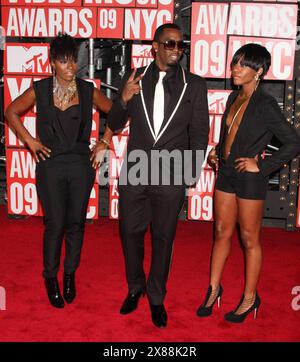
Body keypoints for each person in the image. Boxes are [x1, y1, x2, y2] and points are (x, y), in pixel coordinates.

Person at [104, 23, 209, 328]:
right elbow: (114, 122)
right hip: (136, 167)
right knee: (130, 233)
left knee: (164, 237)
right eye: (170, 44)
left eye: (180, 45)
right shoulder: (135, 77)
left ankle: (156, 296)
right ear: (155, 46)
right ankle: (135, 287)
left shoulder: (195, 84)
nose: (176, 50)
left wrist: (189, 172)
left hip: (171, 170)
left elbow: (200, 132)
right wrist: (123, 98)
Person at [5, 33, 113, 308]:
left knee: (76, 223)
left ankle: (69, 274)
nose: (70, 67)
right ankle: (50, 276)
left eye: (73, 61)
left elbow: (116, 112)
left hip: (80, 165)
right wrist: (29, 141)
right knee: (54, 224)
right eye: (64, 62)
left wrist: (103, 140)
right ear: (52, 62)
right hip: (50, 165)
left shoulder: (87, 90)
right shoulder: (40, 90)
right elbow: (11, 112)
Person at [196, 43, 300, 323]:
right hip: (227, 172)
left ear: (260, 71)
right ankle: (214, 289)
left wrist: (262, 166)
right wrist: (218, 151)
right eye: (235, 63)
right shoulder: (234, 97)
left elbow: (293, 142)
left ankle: (250, 297)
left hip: (251, 179)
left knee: (249, 238)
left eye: (242, 64)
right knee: (220, 231)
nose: (235, 69)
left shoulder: (265, 104)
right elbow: (229, 134)